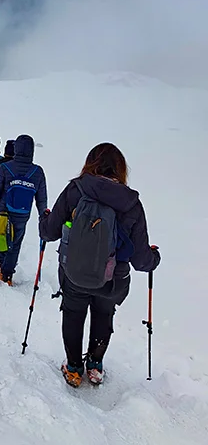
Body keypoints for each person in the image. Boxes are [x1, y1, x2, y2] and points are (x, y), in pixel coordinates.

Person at [40, 142, 160, 388]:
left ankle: (73, 368)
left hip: (74, 272)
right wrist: (154, 258)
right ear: (120, 169)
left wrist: (45, 219)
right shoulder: (131, 203)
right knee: (104, 314)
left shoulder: (77, 189)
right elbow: (140, 260)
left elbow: (50, 231)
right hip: (113, 278)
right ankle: (94, 365)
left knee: (73, 314)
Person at [0, 134, 47, 287]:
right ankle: (6, 273)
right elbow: (42, 198)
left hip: (1, 212)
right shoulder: (37, 172)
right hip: (22, 215)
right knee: (14, 244)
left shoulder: (6, 167)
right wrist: (43, 215)